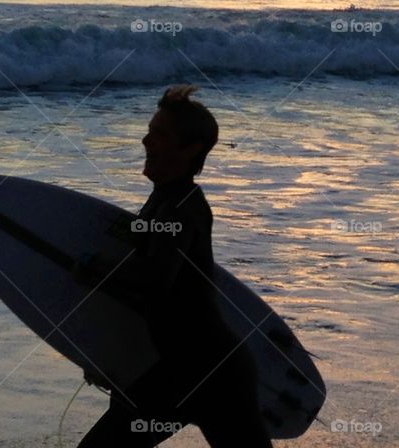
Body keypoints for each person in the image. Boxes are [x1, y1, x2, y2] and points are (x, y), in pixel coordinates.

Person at [76, 85, 272, 448]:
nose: (145, 140)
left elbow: (155, 279)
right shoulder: (164, 201)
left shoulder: (181, 209)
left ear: (190, 149)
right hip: (179, 369)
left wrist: (97, 264)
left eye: (160, 134)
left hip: (211, 373)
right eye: (150, 130)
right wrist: (103, 351)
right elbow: (152, 293)